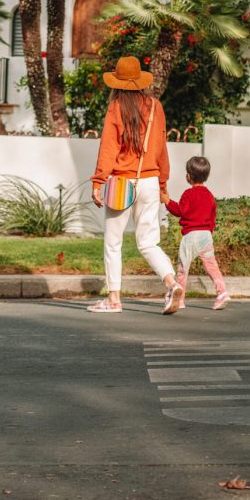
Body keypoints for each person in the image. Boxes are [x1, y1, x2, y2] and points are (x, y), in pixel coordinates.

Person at [88, 56, 183, 314]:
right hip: (150, 181)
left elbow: (108, 149)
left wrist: (98, 181)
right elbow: (162, 149)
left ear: (117, 83)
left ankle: (114, 300)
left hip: (122, 182)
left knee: (113, 242)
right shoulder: (156, 107)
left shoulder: (115, 108)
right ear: (140, 81)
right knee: (148, 242)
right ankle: (172, 283)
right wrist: (162, 183)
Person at [160, 155, 230, 313]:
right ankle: (222, 292)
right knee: (212, 267)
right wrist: (208, 233)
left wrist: (167, 201)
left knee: (183, 269)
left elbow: (180, 211)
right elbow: (212, 218)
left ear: (189, 176)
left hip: (191, 236)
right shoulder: (210, 196)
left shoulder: (188, 194)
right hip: (206, 235)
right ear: (207, 176)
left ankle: (181, 299)